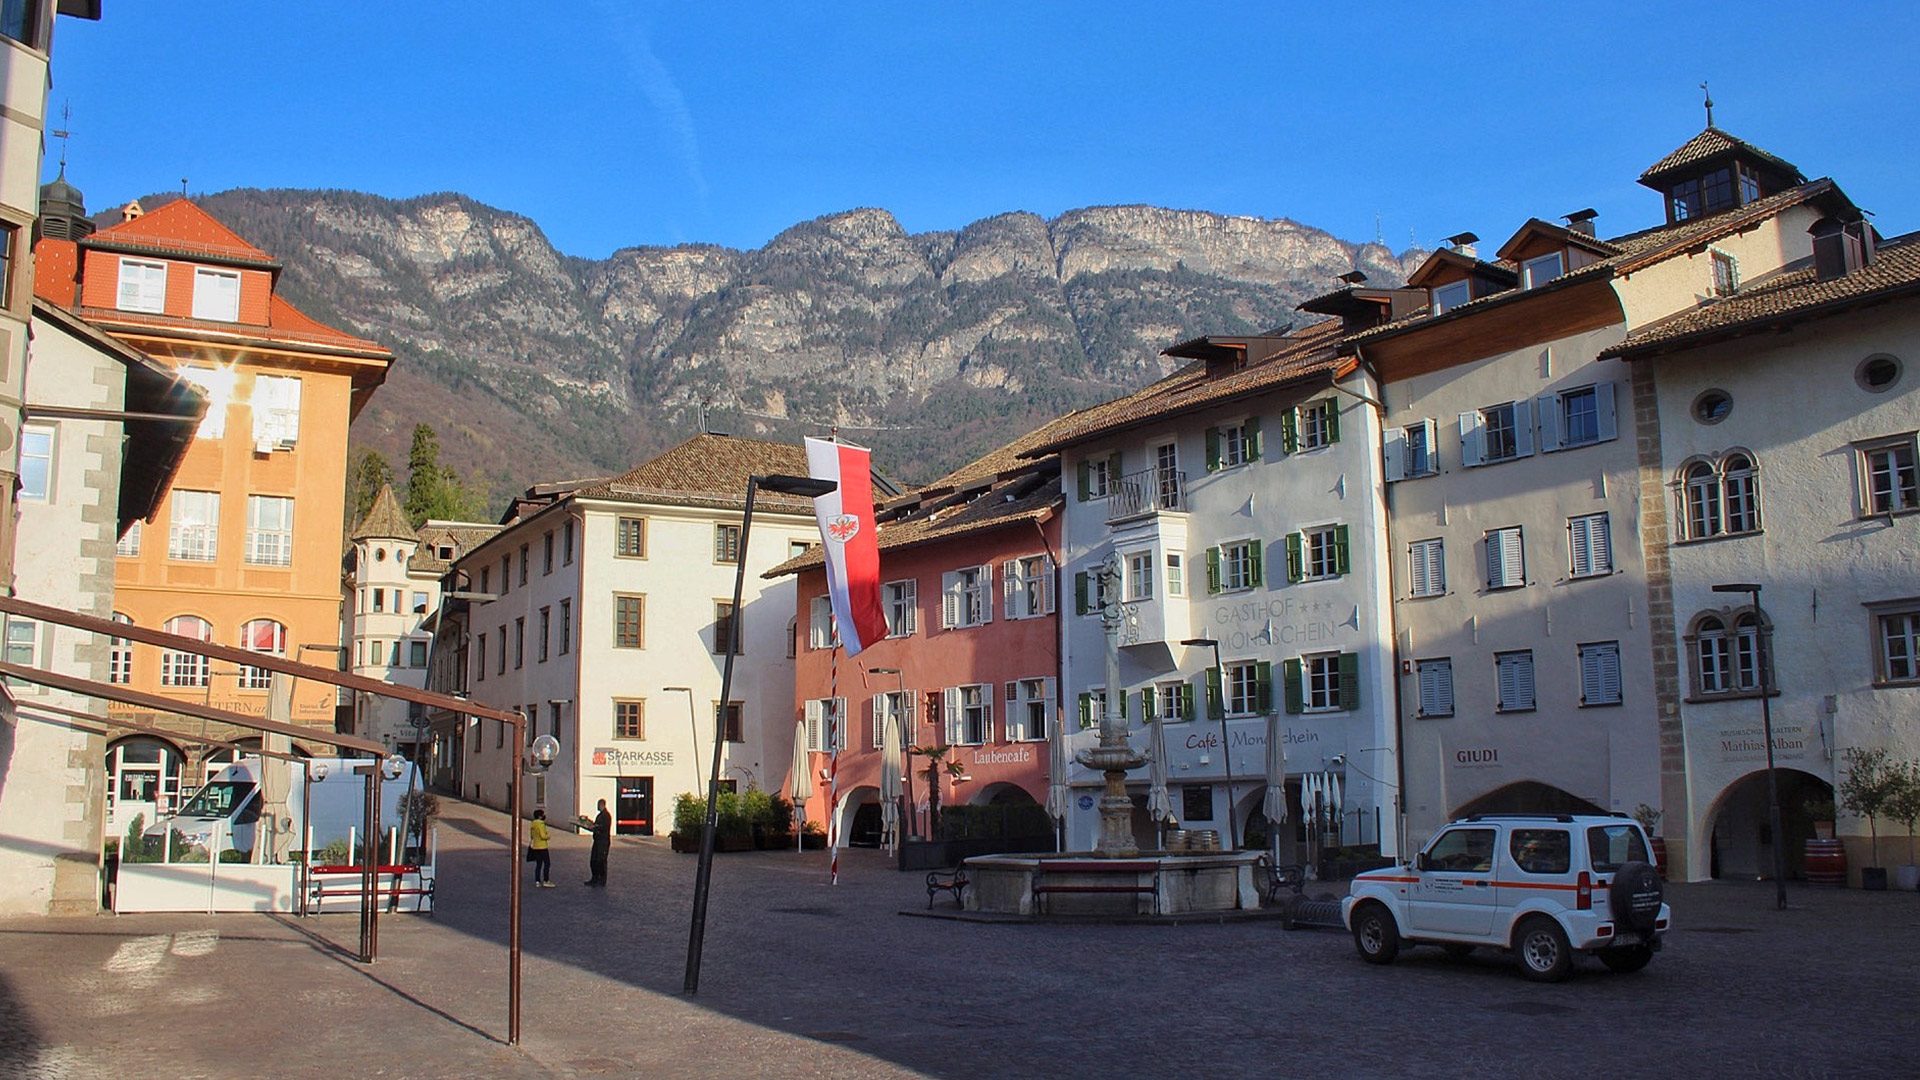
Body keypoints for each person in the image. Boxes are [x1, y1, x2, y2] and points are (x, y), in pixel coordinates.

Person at [582, 798, 611, 886]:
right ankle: (594, 878)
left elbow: (603, 827)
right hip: (597, 840)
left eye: (598, 805)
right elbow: (596, 825)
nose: (597, 807)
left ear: (602, 805)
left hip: (603, 841)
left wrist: (594, 827)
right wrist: (589, 823)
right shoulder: (600, 815)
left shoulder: (606, 815)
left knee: (601, 861)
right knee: (593, 860)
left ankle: (601, 880)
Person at [528, 809, 553, 887]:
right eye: (543, 814)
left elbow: (531, 836)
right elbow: (543, 836)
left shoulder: (533, 824)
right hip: (542, 846)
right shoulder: (541, 824)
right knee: (547, 863)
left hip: (535, 846)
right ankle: (546, 880)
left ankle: (537, 881)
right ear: (540, 816)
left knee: (538, 864)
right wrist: (548, 836)